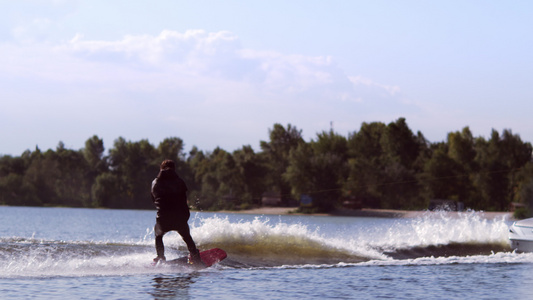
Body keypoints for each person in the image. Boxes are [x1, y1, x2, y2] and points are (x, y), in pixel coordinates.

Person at [151, 159, 202, 265]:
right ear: (174, 169)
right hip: (180, 218)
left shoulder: (155, 182)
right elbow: (184, 200)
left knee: (158, 235)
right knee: (186, 236)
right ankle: (195, 255)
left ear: (161, 168)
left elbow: (154, 200)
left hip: (163, 219)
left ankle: (160, 257)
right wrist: (184, 217)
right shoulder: (180, 181)